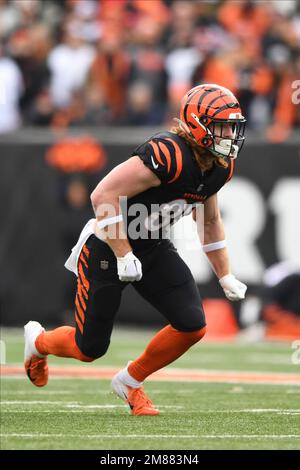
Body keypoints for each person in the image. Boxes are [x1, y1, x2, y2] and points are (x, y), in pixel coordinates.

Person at [24, 84, 247, 416]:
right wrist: (122, 252)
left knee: (192, 324)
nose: (229, 134)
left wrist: (225, 273)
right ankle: (39, 343)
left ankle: (130, 381)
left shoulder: (218, 167)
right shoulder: (167, 154)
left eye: (232, 126)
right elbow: (102, 196)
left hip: (152, 246)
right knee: (90, 349)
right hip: (106, 248)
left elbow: (209, 219)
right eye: (222, 126)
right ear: (197, 124)